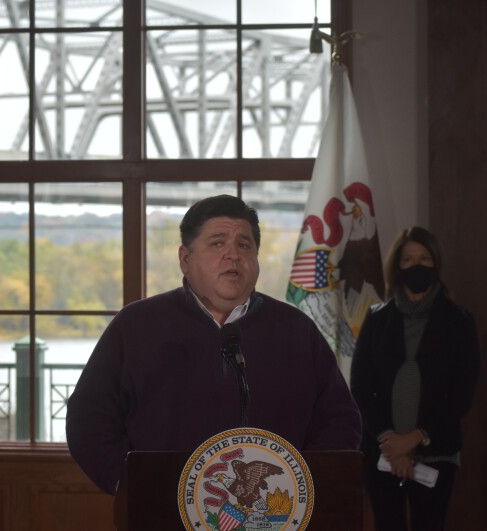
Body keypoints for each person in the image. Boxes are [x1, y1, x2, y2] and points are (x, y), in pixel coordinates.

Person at [66, 194, 362, 495]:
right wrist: (130, 484)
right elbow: (89, 419)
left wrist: (305, 486)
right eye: (217, 243)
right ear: (185, 259)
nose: (233, 255)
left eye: (244, 245)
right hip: (162, 511)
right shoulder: (136, 325)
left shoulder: (296, 330)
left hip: (273, 513)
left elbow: (339, 419)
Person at [350, 227, 479, 531]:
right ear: (398, 266)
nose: (416, 265)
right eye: (408, 259)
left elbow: (462, 394)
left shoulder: (460, 322)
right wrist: (391, 442)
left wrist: (414, 438)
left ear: (436, 264)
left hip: (437, 452)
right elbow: (361, 387)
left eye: (424, 258)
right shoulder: (377, 319)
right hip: (383, 452)